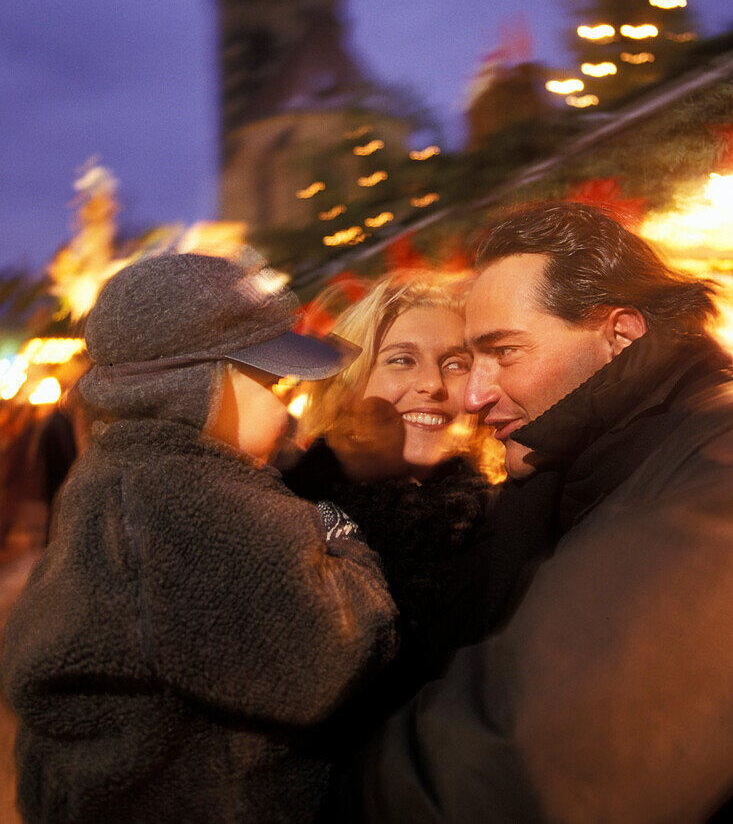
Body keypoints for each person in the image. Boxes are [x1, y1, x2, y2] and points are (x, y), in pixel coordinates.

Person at [347, 201, 733, 823]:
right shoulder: (572, 484)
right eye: (470, 360)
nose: (472, 394)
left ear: (622, 335)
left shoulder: (716, 459)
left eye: (504, 352)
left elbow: (524, 769)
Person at [2, 249, 398, 824]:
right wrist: (338, 535)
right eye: (271, 381)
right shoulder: (181, 493)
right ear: (194, 386)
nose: (287, 405)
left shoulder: (129, 469)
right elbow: (333, 651)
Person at [284, 271, 503, 739]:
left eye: (455, 363)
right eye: (402, 360)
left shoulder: (503, 524)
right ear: (349, 386)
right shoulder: (291, 517)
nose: (432, 385)